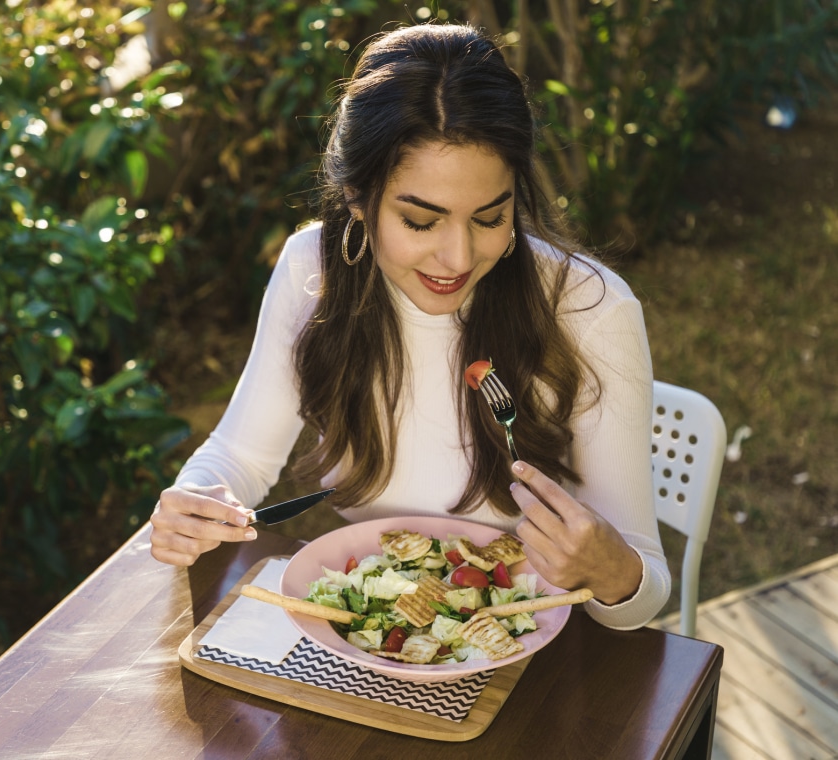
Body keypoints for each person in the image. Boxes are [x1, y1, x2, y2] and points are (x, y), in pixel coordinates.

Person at [149, 22, 669, 630]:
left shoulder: (590, 310)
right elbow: (239, 457)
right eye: (421, 221)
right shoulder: (310, 271)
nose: (458, 257)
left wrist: (611, 572)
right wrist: (197, 502)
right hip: (374, 633)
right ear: (355, 197)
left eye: (490, 217)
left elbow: (643, 595)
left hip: (536, 645)